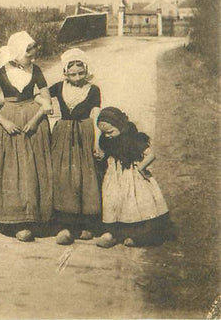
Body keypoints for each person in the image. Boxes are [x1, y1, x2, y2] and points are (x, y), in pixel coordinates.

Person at [0, 31, 53, 241]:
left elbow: (47, 100)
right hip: (8, 122)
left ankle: (32, 218)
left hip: (32, 122)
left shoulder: (36, 70)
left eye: (33, 56)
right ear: (17, 52)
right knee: (9, 169)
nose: (32, 59)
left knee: (31, 168)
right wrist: (4, 122)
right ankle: (11, 220)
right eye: (28, 55)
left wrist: (35, 119)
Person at [95, 106, 170, 247]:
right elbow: (107, 153)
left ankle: (135, 235)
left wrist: (141, 167)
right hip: (114, 178)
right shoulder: (107, 140)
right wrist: (102, 156)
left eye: (110, 132)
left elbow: (151, 154)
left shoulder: (132, 138)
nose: (107, 136)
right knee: (113, 202)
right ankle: (112, 233)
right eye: (104, 133)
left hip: (131, 176)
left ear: (120, 126)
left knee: (132, 204)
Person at [49, 48, 102, 245]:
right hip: (63, 133)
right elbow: (40, 94)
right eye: (72, 74)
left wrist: (97, 142)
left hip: (84, 133)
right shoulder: (58, 87)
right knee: (63, 176)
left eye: (81, 73)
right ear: (65, 73)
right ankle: (65, 224)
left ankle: (86, 224)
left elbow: (96, 116)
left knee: (85, 176)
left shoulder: (93, 89)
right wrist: (46, 105)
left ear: (86, 71)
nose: (77, 77)